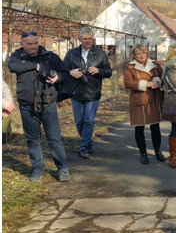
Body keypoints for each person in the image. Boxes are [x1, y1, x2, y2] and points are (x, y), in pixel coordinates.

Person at [8, 31, 70, 182]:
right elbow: (13, 67)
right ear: (22, 44)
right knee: (33, 139)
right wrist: (35, 66)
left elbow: (65, 73)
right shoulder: (16, 57)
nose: (33, 46)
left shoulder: (50, 56)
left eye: (35, 43)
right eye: (29, 44)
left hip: (48, 103)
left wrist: (57, 77)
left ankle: (62, 168)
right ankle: (37, 168)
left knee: (54, 138)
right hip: (27, 104)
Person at [63, 27, 112, 159]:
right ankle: (88, 142)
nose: (88, 41)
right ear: (79, 39)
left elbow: (108, 71)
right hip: (76, 93)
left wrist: (99, 71)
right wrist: (70, 72)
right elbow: (62, 70)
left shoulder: (100, 54)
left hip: (93, 92)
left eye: (90, 38)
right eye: (85, 39)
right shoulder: (71, 54)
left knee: (89, 121)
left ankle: (83, 146)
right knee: (79, 122)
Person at [123, 45, 166, 164]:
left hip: (154, 99)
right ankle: (143, 153)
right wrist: (145, 84)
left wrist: (158, 81)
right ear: (134, 56)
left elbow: (163, 78)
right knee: (139, 127)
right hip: (139, 100)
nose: (142, 56)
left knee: (155, 127)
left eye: (143, 53)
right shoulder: (130, 67)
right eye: (138, 54)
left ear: (147, 54)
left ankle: (158, 151)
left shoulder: (155, 65)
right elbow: (128, 83)